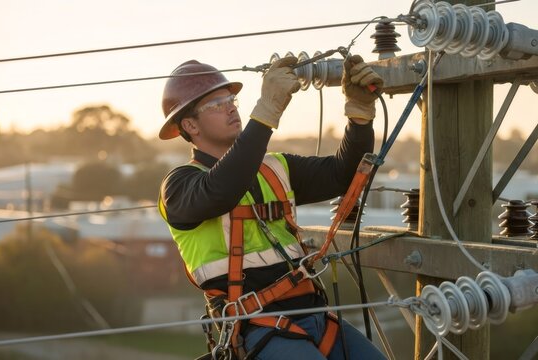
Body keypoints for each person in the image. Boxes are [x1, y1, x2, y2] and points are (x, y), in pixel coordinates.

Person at [157, 54, 386, 360]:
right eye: (215, 104)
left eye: (230, 100)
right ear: (189, 125)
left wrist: (359, 118)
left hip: (316, 316)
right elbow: (222, 190)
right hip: (254, 327)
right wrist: (266, 112)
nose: (229, 107)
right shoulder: (179, 187)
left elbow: (342, 175)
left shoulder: (274, 168)